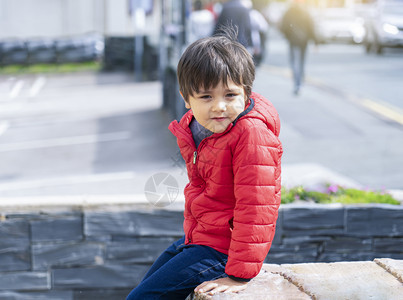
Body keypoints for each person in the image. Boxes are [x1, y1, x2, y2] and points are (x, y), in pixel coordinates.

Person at [126, 28, 282, 299]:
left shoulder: (250, 134)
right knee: (143, 290)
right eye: (206, 97)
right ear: (187, 99)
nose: (219, 106)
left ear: (246, 93)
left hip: (223, 250)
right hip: (201, 239)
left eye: (230, 95)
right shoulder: (197, 128)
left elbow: (257, 207)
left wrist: (239, 274)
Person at [280, 0, 317, 95]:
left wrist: (288, 36)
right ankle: (300, 82)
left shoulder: (289, 12)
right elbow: (311, 27)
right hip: (304, 41)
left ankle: (297, 83)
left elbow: (283, 26)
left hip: (293, 40)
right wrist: (315, 40)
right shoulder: (306, 12)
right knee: (301, 62)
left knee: (294, 62)